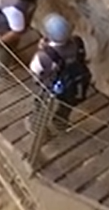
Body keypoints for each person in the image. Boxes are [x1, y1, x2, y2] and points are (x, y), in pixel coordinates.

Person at [27, 13, 93, 153]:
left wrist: (43, 49)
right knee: (66, 104)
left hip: (51, 86)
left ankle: (39, 128)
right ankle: (60, 121)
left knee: (41, 106)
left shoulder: (45, 55)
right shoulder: (77, 42)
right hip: (70, 84)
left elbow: (35, 70)